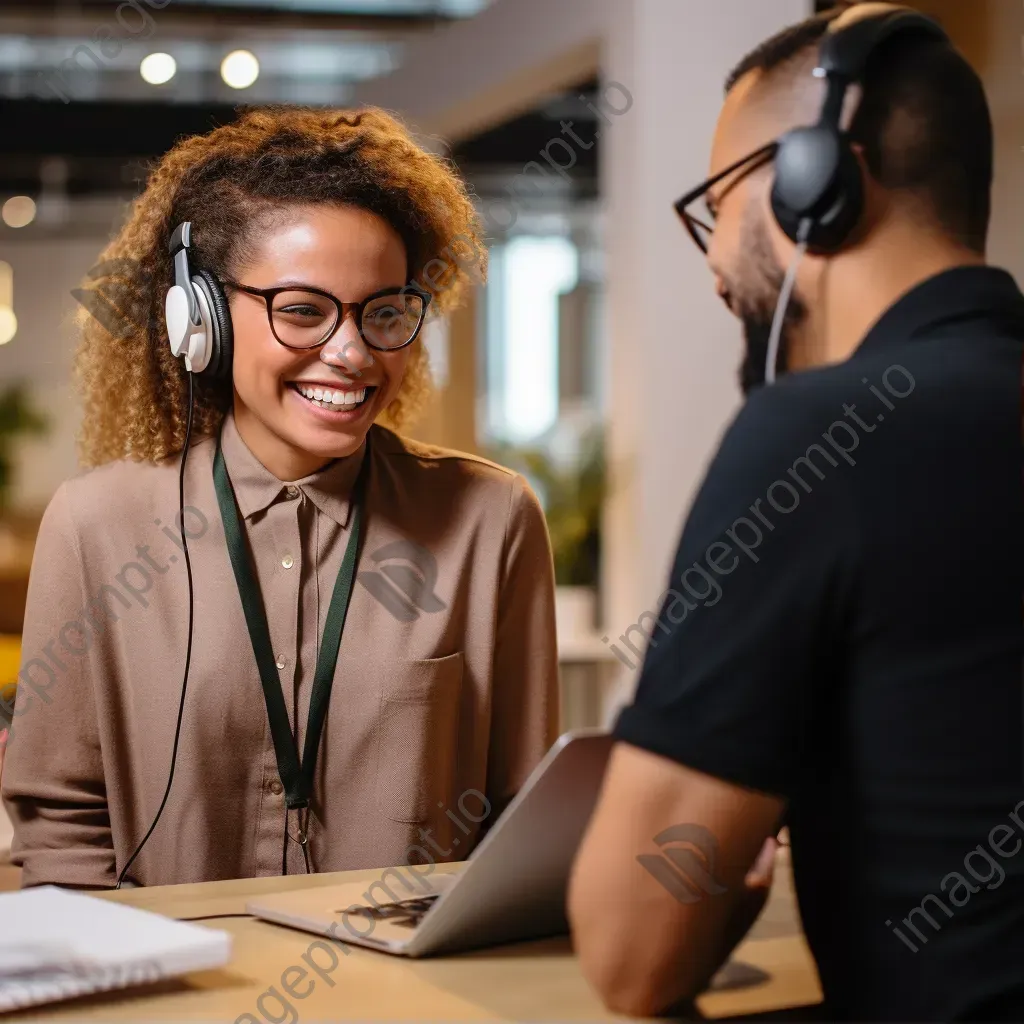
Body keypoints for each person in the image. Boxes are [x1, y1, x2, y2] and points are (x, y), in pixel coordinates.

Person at [569, 5, 1024, 1020]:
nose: (712, 261)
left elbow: (631, 953)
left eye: (717, 205)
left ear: (810, 182)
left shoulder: (817, 437)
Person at [1, 107, 558, 889]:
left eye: (384, 312)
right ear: (201, 319)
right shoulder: (97, 525)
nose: (352, 353)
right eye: (303, 311)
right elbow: (62, 827)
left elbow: (524, 815)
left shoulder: (490, 519)